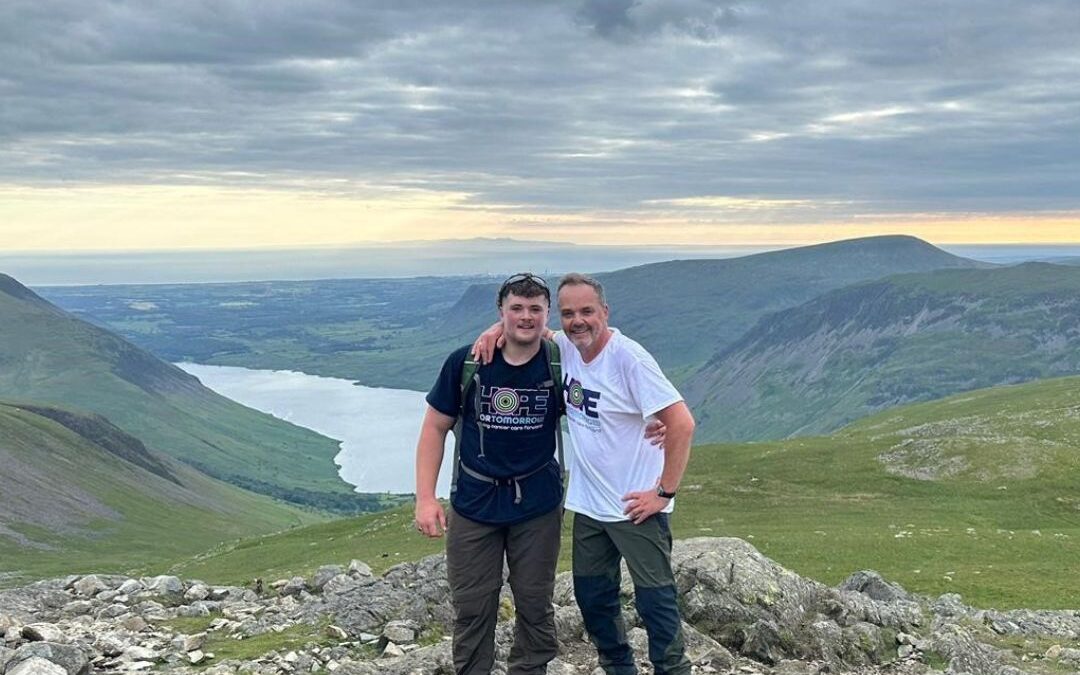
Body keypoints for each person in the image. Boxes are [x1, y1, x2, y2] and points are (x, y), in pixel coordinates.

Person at [474, 272, 695, 675]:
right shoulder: (570, 347)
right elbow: (538, 330)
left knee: (655, 602)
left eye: (587, 311)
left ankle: (673, 670)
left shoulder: (629, 358)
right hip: (590, 507)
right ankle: (618, 668)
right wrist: (495, 328)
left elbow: (681, 423)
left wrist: (663, 493)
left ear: (605, 312)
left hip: (635, 507)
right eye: (569, 312)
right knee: (593, 599)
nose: (578, 320)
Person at [414, 272, 564, 675]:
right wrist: (425, 499)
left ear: (547, 314)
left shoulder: (558, 363)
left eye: (535, 309)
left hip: (537, 505)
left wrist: (650, 425)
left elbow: (603, 386)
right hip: (474, 503)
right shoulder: (467, 362)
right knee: (472, 607)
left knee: (535, 603)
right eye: (516, 308)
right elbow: (435, 427)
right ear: (501, 312)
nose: (526, 317)